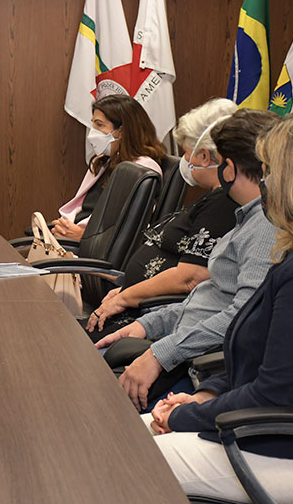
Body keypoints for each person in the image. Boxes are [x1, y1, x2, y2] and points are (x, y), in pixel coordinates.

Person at [147, 113, 293, 504]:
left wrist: (184, 419)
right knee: (115, 435)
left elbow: (275, 392)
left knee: (117, 459)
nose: (264, 183)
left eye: (270, 171)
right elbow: (259, 362)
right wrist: (205, 395)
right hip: (273, 436)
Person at [94, 109, 279, 410]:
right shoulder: (247, 217)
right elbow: (207, 300)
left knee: (81, 395)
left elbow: (241, 319)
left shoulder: (266, 227)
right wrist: (150, 324)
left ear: (228, 168)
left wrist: (159, 354)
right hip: (176, 344)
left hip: (196, 367)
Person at [86, 98, 239, 337]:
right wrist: (126, 289)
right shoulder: (213, 197)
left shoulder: (223, 204)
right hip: (137, 306)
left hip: (150, 319)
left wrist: (126, 296)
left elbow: (190, 278)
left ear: (206, 157)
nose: (185, 162)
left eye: (188, 153)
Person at [51, 94, 167, 239]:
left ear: (122, 131)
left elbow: (128, 226)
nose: (92, 133)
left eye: (99, 125)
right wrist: (64, 227)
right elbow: (81, 208)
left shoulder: (142, 170)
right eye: (93, 124)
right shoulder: (104, 161)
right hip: (72, 237)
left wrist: (83, 236)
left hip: (92, 249)